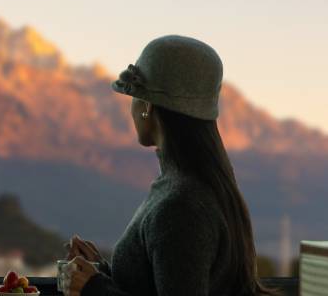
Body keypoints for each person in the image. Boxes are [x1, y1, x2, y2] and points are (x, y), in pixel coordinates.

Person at [63, 35, 274, 296]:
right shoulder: (190, 187)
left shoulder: (181, 206)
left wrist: (94, 288)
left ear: (147, 106)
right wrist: (100, 272)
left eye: (133, 97)